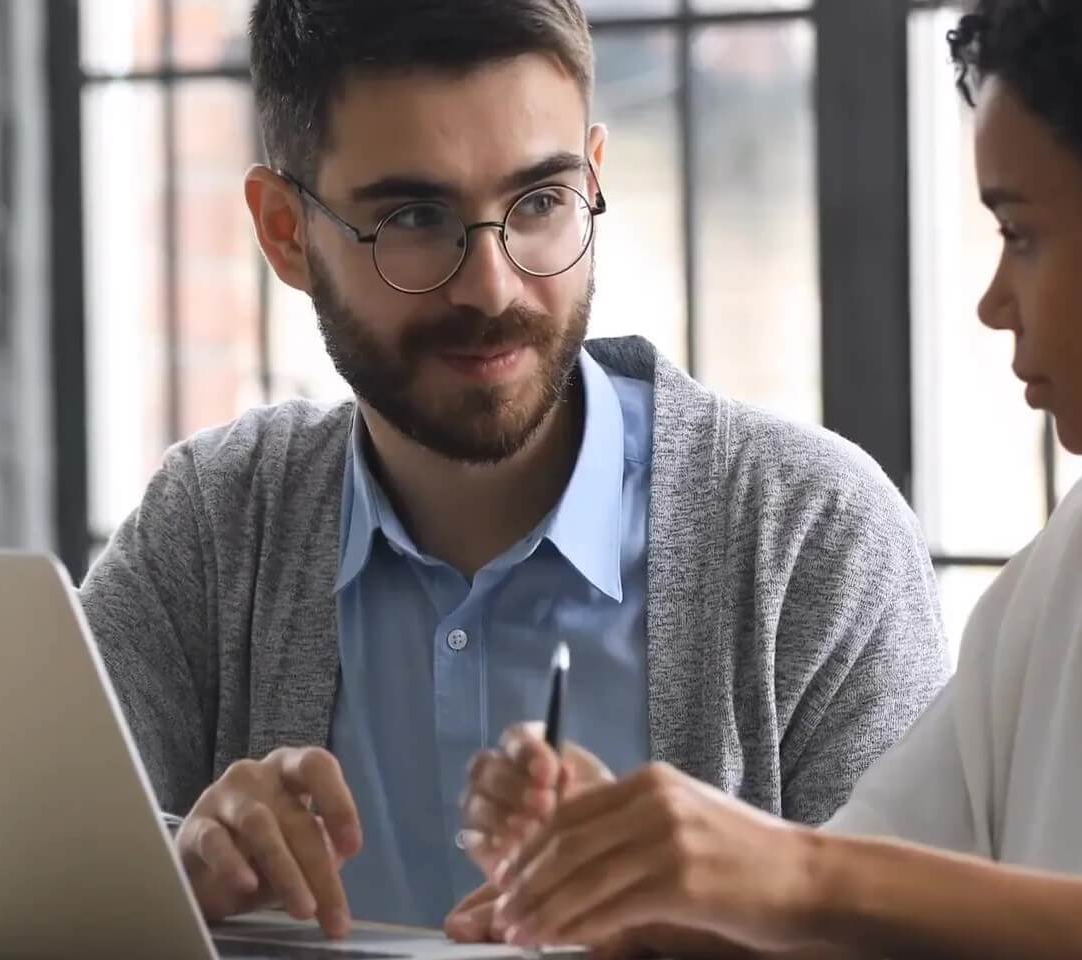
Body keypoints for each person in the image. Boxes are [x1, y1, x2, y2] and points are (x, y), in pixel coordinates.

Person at [456, 0, 1082, 957]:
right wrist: (638, 887)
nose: (995, 302)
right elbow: (855, 921)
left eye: (1022, 233)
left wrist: (791, 872)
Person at [78, 0, 951, 937]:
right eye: (415, 218)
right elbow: (26, 859)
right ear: (285, 231)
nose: (491, 286)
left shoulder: (812, 542)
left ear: (595, 180)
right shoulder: (214, 528)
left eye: (539, 203)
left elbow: (925, 939)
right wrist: (176, 867)